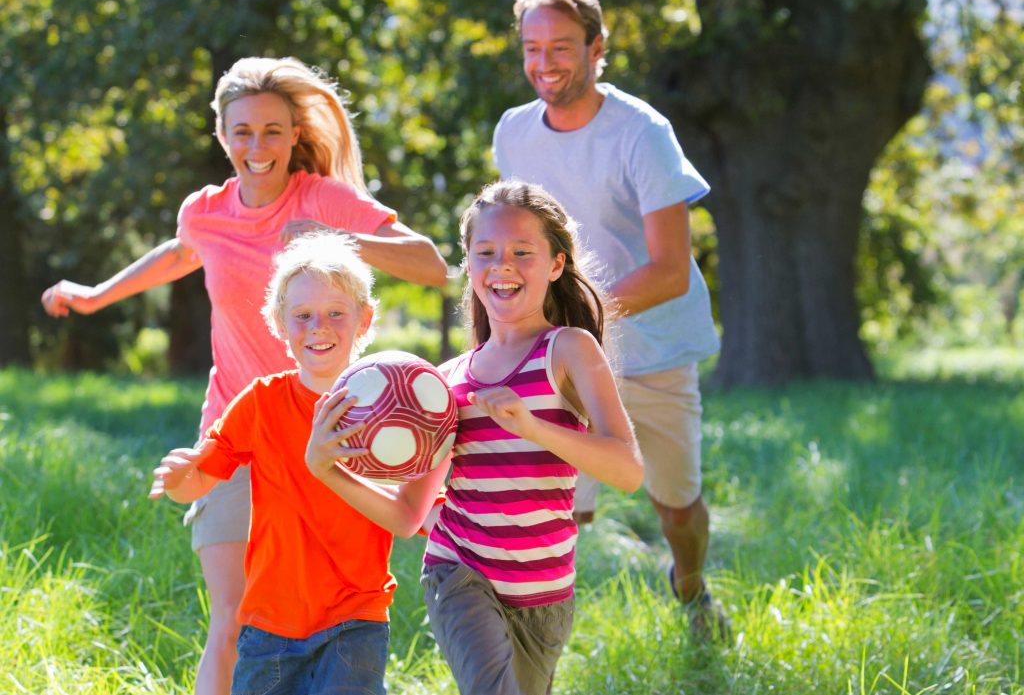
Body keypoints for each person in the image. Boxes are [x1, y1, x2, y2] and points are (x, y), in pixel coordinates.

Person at [40, 56, 448, 694]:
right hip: (240, 430)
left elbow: (429, 263)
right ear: (222, 135)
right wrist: (93, 295)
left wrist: (338, 236)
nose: (257, 147)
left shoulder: (321, 197)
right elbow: (178, 254)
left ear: (293, 135)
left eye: (272, 130)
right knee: (236, 620)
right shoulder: (204, 212)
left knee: (334, 615)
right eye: (243, 131)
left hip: (329, 430)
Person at [491, 0, 729, 640]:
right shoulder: (513, 133)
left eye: (561, 47)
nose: (544, 63)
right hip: (560, 353)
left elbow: (671, 270)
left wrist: (575, 312)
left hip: (651, 349)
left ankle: (690, 585)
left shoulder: (643, 133)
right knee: (555, 505)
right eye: (532, 48)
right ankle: (526, 639)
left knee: (675, 507)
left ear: (598, 47)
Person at [149, 232, 449, 695]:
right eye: (303, 316)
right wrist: (178, 478)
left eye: (335, 314)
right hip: (269, 622)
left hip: (356, 617)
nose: (319, 327)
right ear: (279, 323)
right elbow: (197, 483)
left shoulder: (395, 411)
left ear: (365, 318)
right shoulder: (261, 402)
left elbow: (417, 513)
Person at [420, 180, 644, 695]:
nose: (502, 264)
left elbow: (627, 470)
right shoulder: (449, 377)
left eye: (523, 252)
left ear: (556, 265)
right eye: (486, 252)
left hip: (544, 593)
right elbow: (421, 493)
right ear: (469, 264)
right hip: (460, 572)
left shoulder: (567, 349)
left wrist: (532, 426)